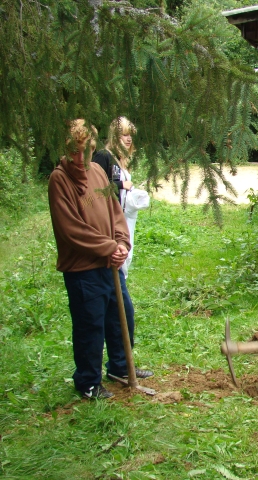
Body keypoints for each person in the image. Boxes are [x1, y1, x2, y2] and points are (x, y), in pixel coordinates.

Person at [48, 119, 152, 400]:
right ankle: (88, 382)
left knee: (121, 315)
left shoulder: (97, 171)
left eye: (87, 150)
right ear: (66, 149)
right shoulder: (60, 179)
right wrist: (108, 246)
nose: (81, 158)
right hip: (83, 269)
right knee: (90, 326)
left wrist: (121, 242)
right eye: (75, 151)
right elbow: (71, 229)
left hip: (109, 264)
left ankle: (119, 367)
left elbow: (115, 212)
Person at [92, 117, 138, 278]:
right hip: (108, 219)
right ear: (115, 136)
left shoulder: (121, 160)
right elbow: (95, 187)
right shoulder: (104, 156)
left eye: (130, 135)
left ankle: (119, 285)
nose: (129, 139)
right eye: (124, 135)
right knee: (115, 258)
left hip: (123, 216)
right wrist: (121, 184)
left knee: (126, 255)